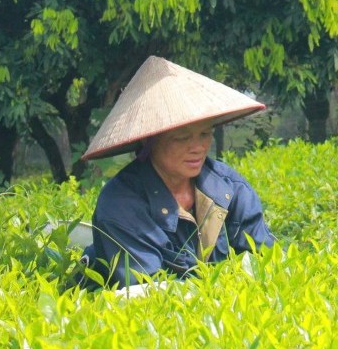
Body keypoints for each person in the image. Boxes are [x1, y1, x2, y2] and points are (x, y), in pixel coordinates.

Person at [80, 56, 275, 289]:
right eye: (181, 137)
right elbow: (149, 292)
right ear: (149, 141)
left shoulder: (230, 188)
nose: (198, 147)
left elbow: (265, 264)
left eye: (205, 134)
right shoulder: (121, 203)